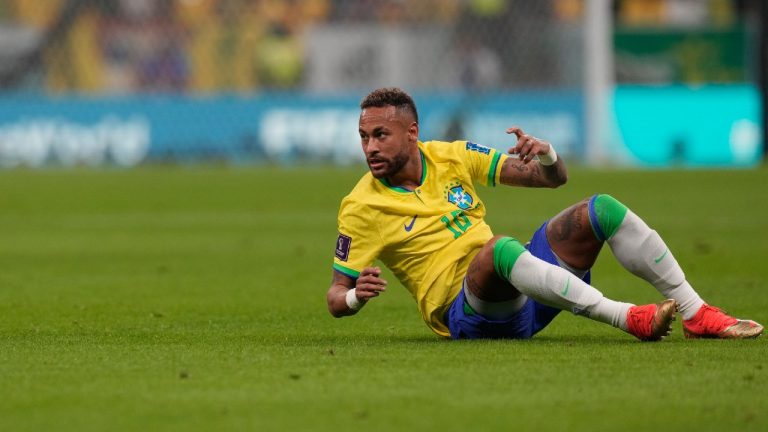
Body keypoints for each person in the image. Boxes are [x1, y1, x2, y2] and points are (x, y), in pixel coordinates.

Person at [326, 87, 763, 341]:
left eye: (380, 134)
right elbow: (334, 298)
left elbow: (551, 180)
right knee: (498, 248)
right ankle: (627, 317)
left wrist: (548, 154)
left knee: (601, 210)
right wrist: (354, 297)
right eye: (364, 136)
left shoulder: (452, 156)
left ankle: (696, 313)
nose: (370, 147)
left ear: (412, 132)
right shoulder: (361, 206)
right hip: (470, 313)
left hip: (527, 290)